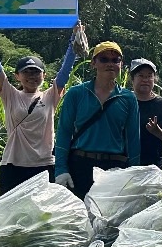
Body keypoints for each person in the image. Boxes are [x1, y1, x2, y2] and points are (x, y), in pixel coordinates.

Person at [0, 12, 80, 192]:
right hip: (13, 166)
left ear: (44, 75)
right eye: (26, 72)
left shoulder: (50, 96)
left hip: (44, 166)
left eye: (36, 72)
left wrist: (74, 38)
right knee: (11, 210)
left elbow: (65, 71)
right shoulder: (10, 95)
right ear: (17, 76)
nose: (32, 76)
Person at [54, 41, 142, 199]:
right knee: (78, 212)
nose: (110, 64)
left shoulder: (128, 98)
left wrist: (133, 173)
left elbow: (133, 138)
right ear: (93, 63)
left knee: (109, 214)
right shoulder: (76, 93)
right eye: (104, 59)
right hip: (80, 164)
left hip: (114, 168)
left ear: (121, 64)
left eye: (115, 60)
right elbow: (64, 132)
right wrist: (61, 169)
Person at [129, 58, 162, 169]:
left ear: (154, 79)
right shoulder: (125, 101)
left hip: (153, 166)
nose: (145, 80)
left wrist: (157, 132)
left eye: (149, 76)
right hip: (125, 165)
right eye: (141, 76)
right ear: (132, 79)